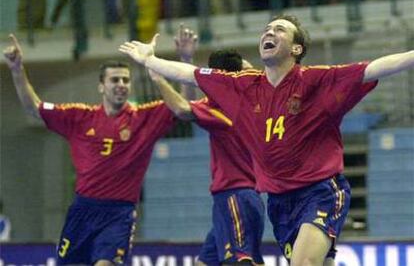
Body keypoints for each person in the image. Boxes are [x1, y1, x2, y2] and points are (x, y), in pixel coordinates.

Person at [119, 14, 414, 266]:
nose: (269, 32)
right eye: (267, 30)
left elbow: (375, 68)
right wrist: (151, 60)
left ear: (296, 48)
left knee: (303, 262)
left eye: (279, 30)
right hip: (278, 202)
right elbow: (192, 74)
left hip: (320, 191)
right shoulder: (243, 87)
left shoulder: (316, 81)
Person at [3, 34, 181, 265]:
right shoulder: (80, 117)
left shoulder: (143, 117)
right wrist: (17, 69)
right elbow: (34, 108)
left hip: (118, 214)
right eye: (115, 80)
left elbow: (183, 108)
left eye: (126, 81)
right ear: (101, 86)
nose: (121, 85)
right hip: (82, 211)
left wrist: (173, 63)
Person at [146, 26, 265, 266]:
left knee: (241, 262)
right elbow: (189, 103)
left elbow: (181, 108)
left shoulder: (225, 110)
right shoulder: (242, 102)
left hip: (236, 195)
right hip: (236, 198)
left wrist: (157, 76)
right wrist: (186, 59)